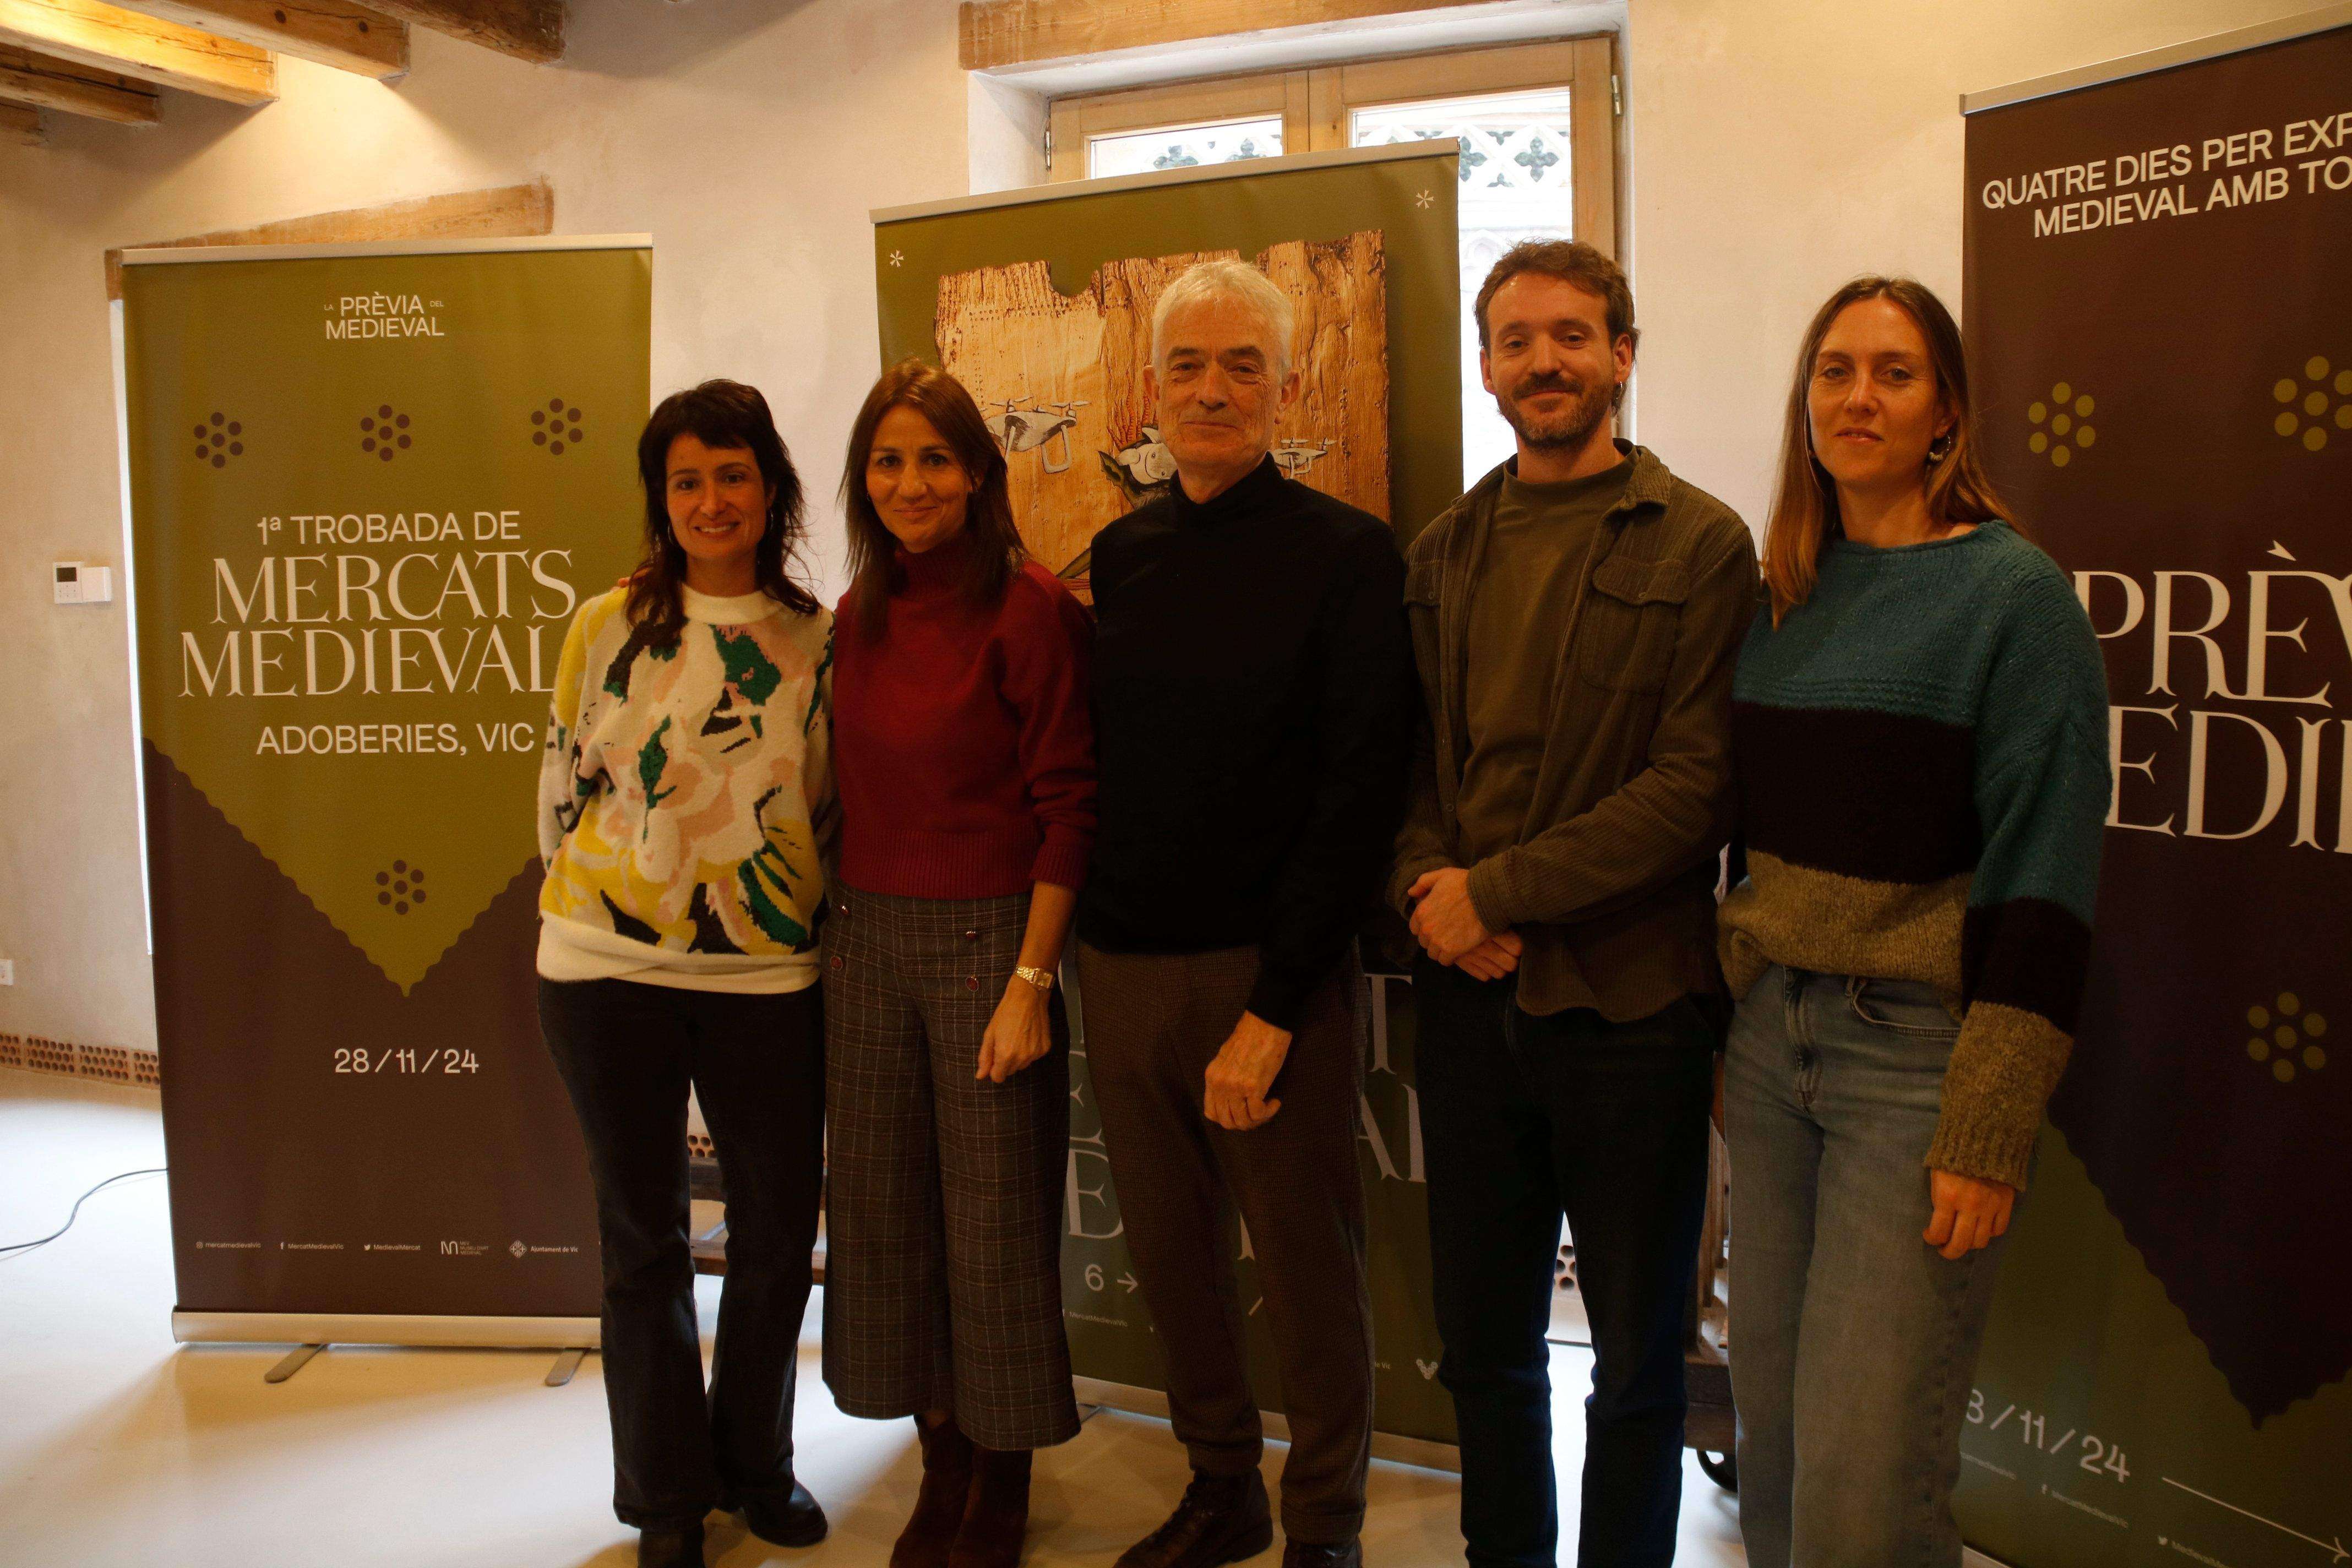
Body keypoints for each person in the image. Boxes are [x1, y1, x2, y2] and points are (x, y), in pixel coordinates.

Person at [1718, 277, 2108, 1567]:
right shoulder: (1786, 591)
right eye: (1834, 370)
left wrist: (1988, 1121)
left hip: (1914, 1066)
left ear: (1946, 408)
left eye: (1893, 371)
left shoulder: (2016, 598)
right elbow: (1747, 829)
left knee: (1861, 1478)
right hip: (1774, 1051)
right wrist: (1743, 982)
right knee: (1770, 1445)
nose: (1859, 396)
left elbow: (2044, 874)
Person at [1389, 239, 1757, 1568]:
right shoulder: (1443, 550)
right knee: (1485, 1351)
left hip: (1634, 1008)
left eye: (1572, 334)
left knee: (1639, 1362)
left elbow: (1694, 788)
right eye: (1517, 338)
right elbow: (1412, 762)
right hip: (1470, 1005)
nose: (1544, 360)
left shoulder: (1705, 543)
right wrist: (1432, 891)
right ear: (1487, 364)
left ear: (1622, 353)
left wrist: (1494, 889)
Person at [1076, 258, 1414, 1568]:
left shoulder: (1346, 554)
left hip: (1270, 978)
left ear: (1288, 384)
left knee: (1309, 1269)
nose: (1211, 390)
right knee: (1172, 1259)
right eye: (1186, 366)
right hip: (1122, 963)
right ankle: (1222, 1483)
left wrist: (1277, 1004)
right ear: (1148, 387)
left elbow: (1358, 790)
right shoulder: (1124, 550)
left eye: (1241, 366)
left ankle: (1324, 1520)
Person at [535, 379, 834, 1568]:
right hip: (604, 969)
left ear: (772, 488)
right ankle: (666, 1497)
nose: (713, 500)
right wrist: (616, 905)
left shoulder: (818, 638)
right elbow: (561, 791)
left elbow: (828, 806)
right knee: (643, 1239)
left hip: (766, 979)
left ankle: (756, 1461)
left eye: (734, 474)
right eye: (687, 479)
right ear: (663, 499)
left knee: (775, 1233)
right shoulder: (605, 623)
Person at [820, 359, 1097, 1568]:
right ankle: (939, 1460)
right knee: (886, 1219)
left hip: (994, 938)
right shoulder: (857, 612)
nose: (911, 481)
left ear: (980, 473)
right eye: (888, 460)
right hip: (865, 941)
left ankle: (1001, 1478)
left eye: (936, 458)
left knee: (994, 1228)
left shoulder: (1030, 605)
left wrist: (1032, 983)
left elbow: (1071, 806)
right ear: (862, 480)